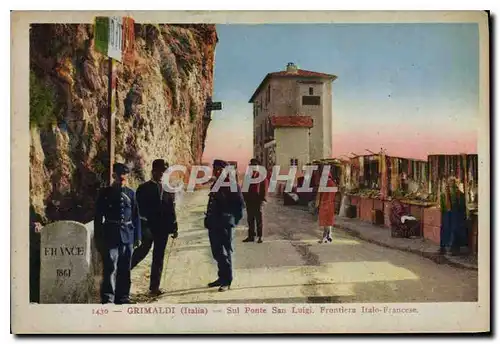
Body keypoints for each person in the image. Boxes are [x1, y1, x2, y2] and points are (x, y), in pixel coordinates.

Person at [94, 163, 141, 304]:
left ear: (127, 176)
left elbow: (136, 216)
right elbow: (98, 217)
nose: (121, 179)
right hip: (110, 235)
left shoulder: (131, 193)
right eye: (119, 175)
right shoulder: (105, 193)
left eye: (124, 176)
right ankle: (108, 297)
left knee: (125, 268)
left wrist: (137, 237)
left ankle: (123, 297)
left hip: (128, 236)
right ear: (113, 175)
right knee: (110, 267)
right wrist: (98, 237)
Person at [131, 159, 179, 296]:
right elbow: (138, 211)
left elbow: (171, 210)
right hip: (148, 229)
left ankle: (154, 288)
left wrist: (174, 227)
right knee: (140, 253)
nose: (162, 174)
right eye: (160, 171)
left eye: (164, 172)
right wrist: (144, 229)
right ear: (153, 172)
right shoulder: (143, 188)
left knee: (158, 257)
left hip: (162, 229)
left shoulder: (169, 189)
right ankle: (120, 276)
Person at [204, 159, 244, 292]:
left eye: (219, 169)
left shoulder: (231, 184)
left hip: (225, 224)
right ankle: (221, 277)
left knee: (225, 252)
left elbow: (239, 206)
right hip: (213, 223)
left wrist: (232, 221)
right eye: (215, 169)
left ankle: (227, 281)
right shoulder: (216, 183)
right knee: (216, 252)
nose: (216, 171)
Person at [242, 158, 268, 243]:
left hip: (258, 200)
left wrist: (263, 199)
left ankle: (260, 236)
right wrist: (244, 199)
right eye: (252, 166)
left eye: (255, 166)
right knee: (250, 219)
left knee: (259, 219)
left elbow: (264, 188)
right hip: (249, 200)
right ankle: (251, 236)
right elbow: (244, 188)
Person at [439, 177, 467, 255]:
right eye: (450, 182)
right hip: (447, 215)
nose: (451, 183)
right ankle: (444, 248)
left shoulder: (459, 193)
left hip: (455, 214)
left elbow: (462, 205)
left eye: (453, 182)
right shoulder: (444, 193)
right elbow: (442, 206)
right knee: (446, 230)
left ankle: (453, 249)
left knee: (454, 231)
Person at [316, 172, 336, 243]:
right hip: (331, 205)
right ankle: (329, 236)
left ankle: (324, 237)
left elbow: (319, 195)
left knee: (325, 222)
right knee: (329, 221)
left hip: (324, 205)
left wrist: (317, 204)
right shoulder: (333, 184)